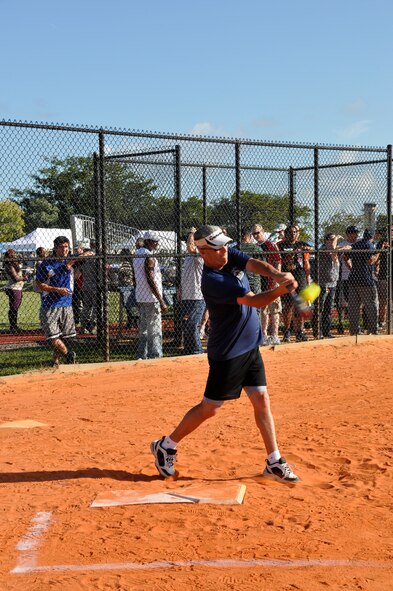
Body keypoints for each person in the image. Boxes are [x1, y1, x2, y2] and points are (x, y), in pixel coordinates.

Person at [151, 224, 300, 483]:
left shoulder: (228, 254)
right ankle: (166, 445)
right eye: (218, 248)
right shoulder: (214, 281)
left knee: (261, 399)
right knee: (210, 408)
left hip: (249, 346)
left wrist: (277, 274)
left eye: (224, 245)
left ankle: (274, 460)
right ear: (204, 252)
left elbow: (254, 263)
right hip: (228, 352)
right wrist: (281, 289)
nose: (225, 251)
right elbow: (254, 300)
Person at [35, 236, 80, 367]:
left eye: (66, 247)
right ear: (55, 248)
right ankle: (68, 355)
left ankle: (55, 361)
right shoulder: (46, 264)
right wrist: (57, 290)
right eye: (61, 247)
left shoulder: (70, 260)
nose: (64, 249)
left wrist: (82, 256)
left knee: (65, 335)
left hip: (67, 304)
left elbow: (88, 254)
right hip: (50, 305)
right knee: (53, 336)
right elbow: (40, 285)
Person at [133, 230, 168, 359]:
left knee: (144, 328)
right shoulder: (149, 257)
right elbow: (151, 279)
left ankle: (142, 355)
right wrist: (161, 300)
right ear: (148, 242)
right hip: (151, 298)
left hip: (141, 296)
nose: (157, 244)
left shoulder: (137, 254)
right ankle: (156, 355)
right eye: (154, 241)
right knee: (154, 329)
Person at [278, 225, 311, 342]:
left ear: (298, 233)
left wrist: (306, 248)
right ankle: (287, 331)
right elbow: (279, 260)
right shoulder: (281, 245)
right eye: (290, 232)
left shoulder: (301, 243)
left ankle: (299, 331)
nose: (293, 234)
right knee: (288, 306)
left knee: (300, 305)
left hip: (300, 275)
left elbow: (313, 248)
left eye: (295, 232)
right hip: (287, 276)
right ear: (286, 234)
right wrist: (290, 255)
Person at [251, 224, 282, 346]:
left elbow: (277, 261)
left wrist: (276, 278)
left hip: (271, 281)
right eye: (254, 234)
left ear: (263, 231)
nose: (256, 235)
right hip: (260, 282)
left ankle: (275, 335)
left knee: (274, 309)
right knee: (263, 309)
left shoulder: (269, 244)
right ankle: (264, 335)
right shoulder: (254, 247)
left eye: (258, 233)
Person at [347, 229, 380, 335]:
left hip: (354, 279)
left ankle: (354, 330)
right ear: (372, 236)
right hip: (366, 280)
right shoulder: (369, 245)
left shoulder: (356, 244)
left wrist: (352, 268)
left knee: (354, 307)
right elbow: (370, 261)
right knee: (371, 305)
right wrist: (378, 252)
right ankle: (373, 329)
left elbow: (346, 257)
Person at [180, 228, 205, 355]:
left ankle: (197, 350)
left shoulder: (200, 253)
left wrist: (191, 233)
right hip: (187, 294)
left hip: (197, 295)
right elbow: (185, 274)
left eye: (189, 240)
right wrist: (180, 289)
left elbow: (190, 247)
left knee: (192, 323)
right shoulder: (188, 257)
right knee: (187, 324)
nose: (187, 242)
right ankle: (189, 349)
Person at [336, 226, 359, 334]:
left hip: (357, 277)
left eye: (357, 233)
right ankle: (341, 323)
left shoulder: (359, 243)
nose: (356, 235)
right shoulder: (342, 244)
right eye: (354, 233)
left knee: (355, 302)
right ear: (348, 234)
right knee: (342, 303)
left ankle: (354, 324)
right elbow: (337, 252)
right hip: (344, 277)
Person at [3, 249, 27, 333]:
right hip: (14, 288)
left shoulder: (12, 264)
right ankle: (13, 327)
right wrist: (24, 278)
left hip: (16, 288)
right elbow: (16, 278)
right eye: (14, 255)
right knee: (14, 308)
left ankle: (13, 326)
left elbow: (17, 275)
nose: (16, 256)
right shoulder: (9, 265)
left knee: (14, 308)